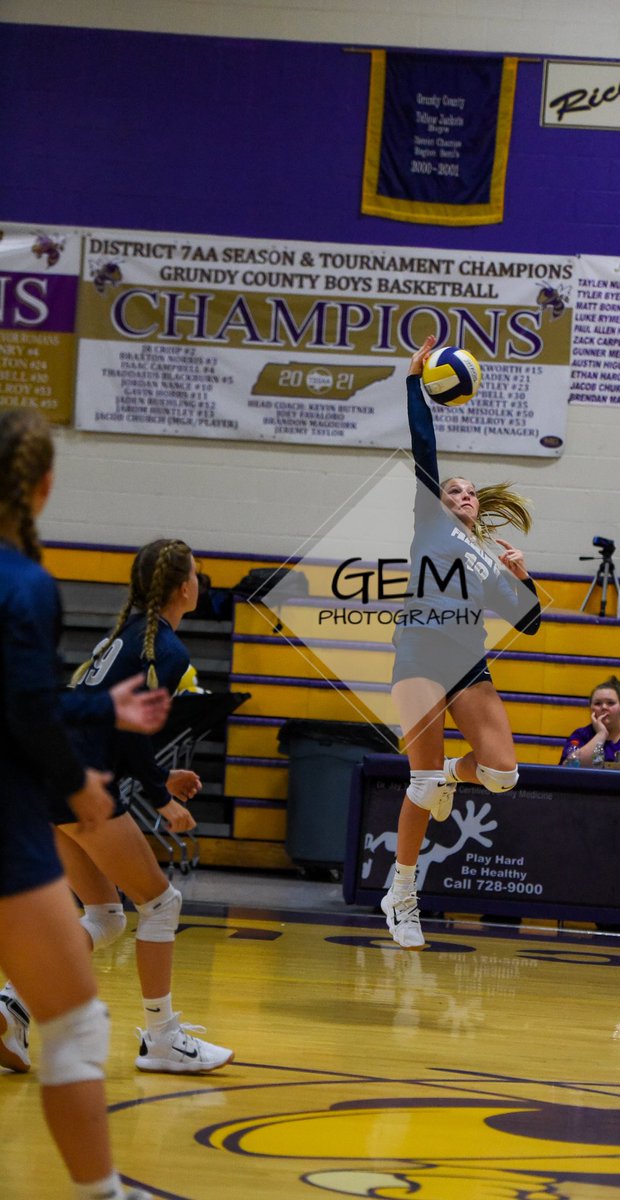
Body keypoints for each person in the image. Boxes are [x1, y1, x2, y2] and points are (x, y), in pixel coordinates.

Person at [0, 408, 162, 1199]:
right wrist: (78, 787)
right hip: (7, 821)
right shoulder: (25, 584)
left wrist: (101, 709)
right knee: (73, 1027)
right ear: (43, 487)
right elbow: (25, 709)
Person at [1, 538, 233, 1076]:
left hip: (49, 780)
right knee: (162, 904)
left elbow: (111, 729)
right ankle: (163, 1039)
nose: (199, 582)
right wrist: (161, 799)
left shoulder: (125, 637)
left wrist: (159, 777)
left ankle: (11, 1007)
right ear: (182, 587)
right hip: (81, 786)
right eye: (195, 574)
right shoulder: (165, 650)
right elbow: (128, 733)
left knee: (104, 917)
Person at [381, 334, 542, 949]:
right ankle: (402, 894)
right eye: (454, 489)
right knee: (420, 786)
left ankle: (453, 772)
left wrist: (523, 577)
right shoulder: (430, 523)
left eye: (470, 491)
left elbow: (529, 621)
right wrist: (413, 382)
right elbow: (424, 444)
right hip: (419, 656)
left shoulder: (489, 561)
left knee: (502, 775)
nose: (463, 494)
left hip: (468, 664)